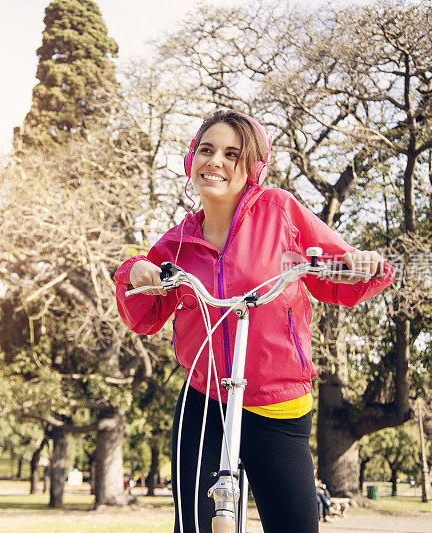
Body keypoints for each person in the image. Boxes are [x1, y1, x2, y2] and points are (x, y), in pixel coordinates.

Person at [115, 110, 394, 533]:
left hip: (277, 403)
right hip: (205, 401)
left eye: (232, 153)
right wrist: (136, 270)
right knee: (197, 527)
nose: (216, 162)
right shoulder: (177, 244)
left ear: (253, 168)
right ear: (191, 159)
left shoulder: (279, 211)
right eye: (206, 150)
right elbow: (143, 314)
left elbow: (335, 271)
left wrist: (362, 264)